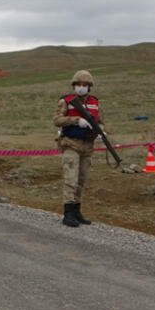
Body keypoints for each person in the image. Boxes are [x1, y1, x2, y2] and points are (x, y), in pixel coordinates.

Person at [53, 70, 102, 227]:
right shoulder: (66, 101)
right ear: (74, 85)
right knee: (71, 179)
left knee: (81, 180)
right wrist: (76, 120)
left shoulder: (95, 102)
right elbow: (57, 120)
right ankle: (68, 214)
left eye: (85, 85)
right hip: (70, 144)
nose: (81, 87)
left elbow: (100, 120)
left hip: (87, 146)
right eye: (78, 84)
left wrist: (100, 130)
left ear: (90, 87)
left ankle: (76, 211)